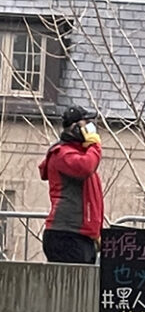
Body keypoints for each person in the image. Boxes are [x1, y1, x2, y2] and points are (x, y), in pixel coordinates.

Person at [39, 105, 104, 264]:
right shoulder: (62, 154)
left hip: (82, 235)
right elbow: (85, 167)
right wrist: (95, 146)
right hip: (66, 234)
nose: (91, 130)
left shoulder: (79, 153)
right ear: (75, 128)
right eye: (86, 125)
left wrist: (95, 232)